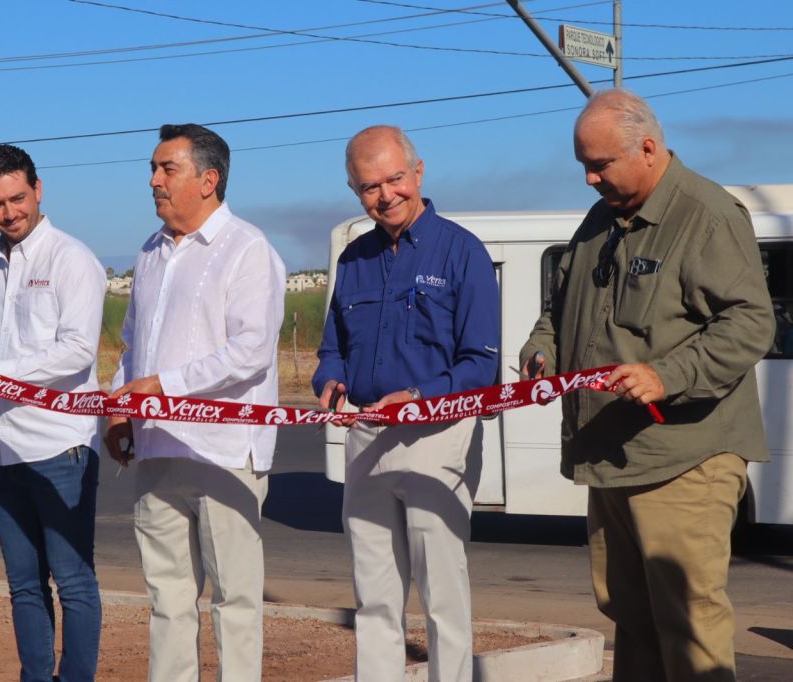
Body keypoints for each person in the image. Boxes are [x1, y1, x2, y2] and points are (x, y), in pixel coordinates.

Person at [520, 89, 773, 682]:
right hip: (612, 457)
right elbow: (558, 309)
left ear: (649, 148)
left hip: (684, 460)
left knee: (688, 623)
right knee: (630, 618)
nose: (589, 178)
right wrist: (541, 351)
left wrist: (668, 375)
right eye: (584, 165)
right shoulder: (600, 219)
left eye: (601, 164)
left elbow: (750, 322)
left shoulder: (706, 215)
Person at [313, 125, 500, 682]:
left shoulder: (463, 251)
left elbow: (481, 364)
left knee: (442, 596)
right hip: (366, 437)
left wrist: (419, 398)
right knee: (373, 596)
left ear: (418, 172)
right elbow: (332, 348)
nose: (385, 195)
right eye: (369, 187)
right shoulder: (353, 259)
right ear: (354, 191)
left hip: (436, 439)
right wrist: (330, 378)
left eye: (395, 179)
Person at [105, 123, 285, 682]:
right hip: (157, 449)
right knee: (168, 599)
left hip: (223, 452)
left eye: (167, 169)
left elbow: (251, 351)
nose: (153, 181)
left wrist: (164, 386)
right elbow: (133, 345)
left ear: (208, 180)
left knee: (235, 600)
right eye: (153, 169)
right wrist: (119, 407)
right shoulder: (151, 251)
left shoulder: (248, 249)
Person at [0, 144, 107, 682]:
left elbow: (78, 351)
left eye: (18, 198)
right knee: (23, 586)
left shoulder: (72, 258)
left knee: (73, 582)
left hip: (61, 446)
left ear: (38, 189)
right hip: (2, 449)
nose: (9, 213)